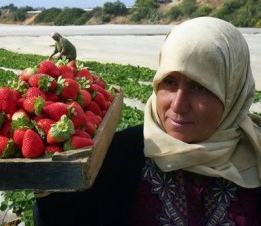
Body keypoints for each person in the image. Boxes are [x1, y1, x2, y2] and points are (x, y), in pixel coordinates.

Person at [34, 17, 261, 226]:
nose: (178, 105)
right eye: (170, 82)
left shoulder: (256, 153)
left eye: (199, 86)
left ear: (233, 91)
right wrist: (50, 188)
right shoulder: (116, 157)